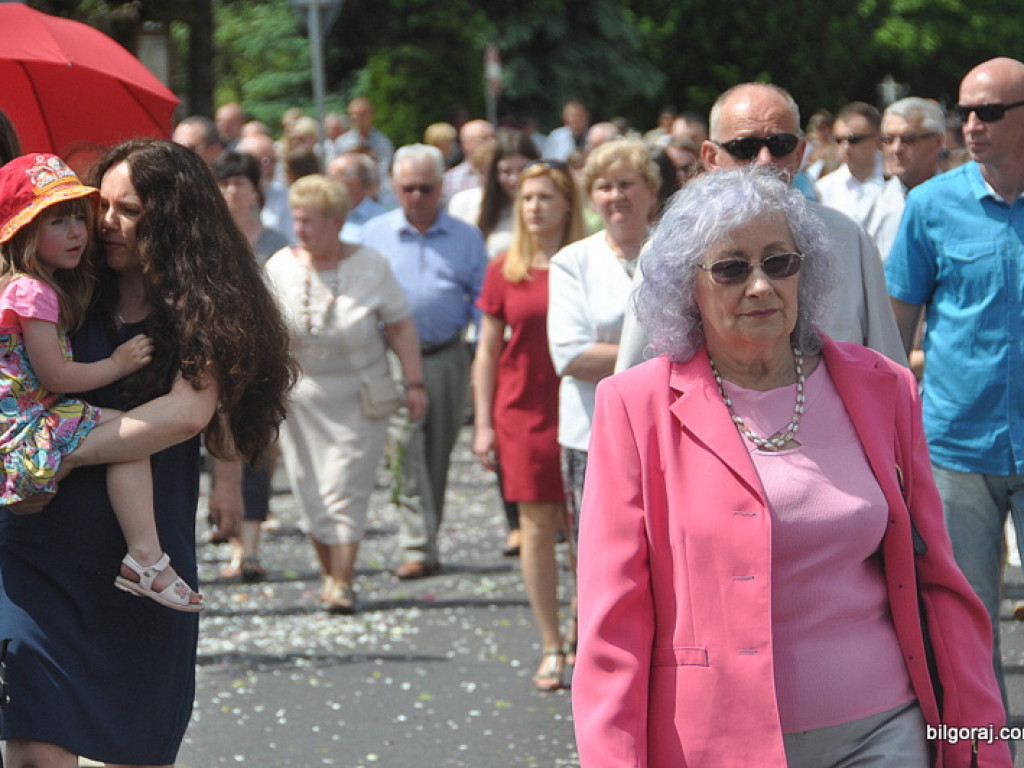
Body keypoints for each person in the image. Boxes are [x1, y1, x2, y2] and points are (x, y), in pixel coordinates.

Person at [573, 166, 1010, 768]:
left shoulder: (882, 389)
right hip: (714, 741)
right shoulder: (634, 406)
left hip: (887, 731)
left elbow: (941, 586)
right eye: (730, 268)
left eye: (779, 263)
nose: (760, 286)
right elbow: (611, 620)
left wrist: (982, 743)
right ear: (686, 287)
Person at [0, 138, 296, 766]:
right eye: (97, 205)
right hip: (38, 553)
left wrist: (59, 455)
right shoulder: (52, 287)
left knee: (136, 748)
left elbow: (185, 415)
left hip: (142, 559)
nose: (104, 223)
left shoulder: (201, 305)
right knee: (34, 746)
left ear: (173, 219)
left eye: (129, 210)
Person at [0, 152, 204, 613]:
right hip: (30, 430)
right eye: (56, 222)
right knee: (129, 436)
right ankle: (147, 558)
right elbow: (55, 376)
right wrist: (117, 364)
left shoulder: (31, 285)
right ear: (24, 231)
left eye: (78, 218)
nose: (79, 231)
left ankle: (146, 557)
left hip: (29, 430)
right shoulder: (33, 291)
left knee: (125, 432)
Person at [885, 56, 1024, 714]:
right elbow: (892, 333)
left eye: (989, 112)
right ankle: (980, 748)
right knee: (965, 623)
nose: (971, 125)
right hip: (955, 447)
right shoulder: (929, 205)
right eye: (963, 111)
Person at [616, 82, 906, 370]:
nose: (765, 160)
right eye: (745, 148)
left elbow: (887, 369)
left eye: (781, 145)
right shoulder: (669, 248)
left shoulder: (847, 238)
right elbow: (637, 376)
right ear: (711, 158)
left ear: (799, 152)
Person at [266, 174, 426, 613]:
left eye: (310, 221)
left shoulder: (370, 264)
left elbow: (399, 325)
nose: (300, 229)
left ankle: (344, 579)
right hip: (301, 398)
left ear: (337, 222)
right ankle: (328, 574)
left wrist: (414, 382)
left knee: (345, 488)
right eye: (297, 220)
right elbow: (263, 332)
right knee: (310, 489)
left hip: (360, 396)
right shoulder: (280, 264)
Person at [473, 159, 584, 691]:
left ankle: (586, 627)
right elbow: (488, 351)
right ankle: (551, 642)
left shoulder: (587, 260)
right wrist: (483, 423)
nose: (534, 206)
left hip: (583, 406)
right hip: (522, 411)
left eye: (545, 196)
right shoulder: (505, 267)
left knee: (588, 530)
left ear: (567, 203)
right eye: (527, 198)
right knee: (537, 529)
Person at [361, 144, 488, 580]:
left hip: (447, 354)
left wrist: (481, 358)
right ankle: (416, 542)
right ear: (394, 188)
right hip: (391, 359)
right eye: (408, 188)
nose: (417, 196)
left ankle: (427, 536)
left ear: (441, 189)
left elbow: (481, 302)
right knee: (404, 448)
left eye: (426, 188)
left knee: (437, 450)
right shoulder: (373, 235)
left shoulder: (465, 237)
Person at [548, 138, 660, 548]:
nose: (616, 196)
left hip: (665, 428)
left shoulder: (675, 255)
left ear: (651, 190)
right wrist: (661, 358)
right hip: (591, 431)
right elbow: (572, 355)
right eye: (604, 186)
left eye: (627, 184)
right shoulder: (572, 262)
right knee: (600, 551)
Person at [212, 150, 291, 580]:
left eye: (239, 183)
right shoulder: (207, 241)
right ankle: (230, 535)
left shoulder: (276, 241)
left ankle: (251, 546)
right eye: (224, 183)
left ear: (255, 190)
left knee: (257, 444)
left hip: (262, 357)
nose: (231, 191)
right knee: (221, 449)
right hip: (215, 357)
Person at [816, 101, 904, 261]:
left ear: (877, 140)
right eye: (838, 140)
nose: (845, 147)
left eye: (853, 140)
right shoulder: (823, 189)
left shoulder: (897, 183)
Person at [449, 128, 540, 258]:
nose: (514, 179)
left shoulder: (550, 206)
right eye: (506, 172)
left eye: (522, 169)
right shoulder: (466, 204)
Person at [881, 97, 945, 192]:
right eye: (889, 140)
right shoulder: (871, 202)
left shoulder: (961, 198)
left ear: (937, 142)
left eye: (908, 139)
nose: (896, 149)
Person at [441, 118, 496, 203]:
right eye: (484, 139)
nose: (492, 143)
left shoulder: (507, 175)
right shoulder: (449, 181)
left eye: (494, 137)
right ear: (465, 144)